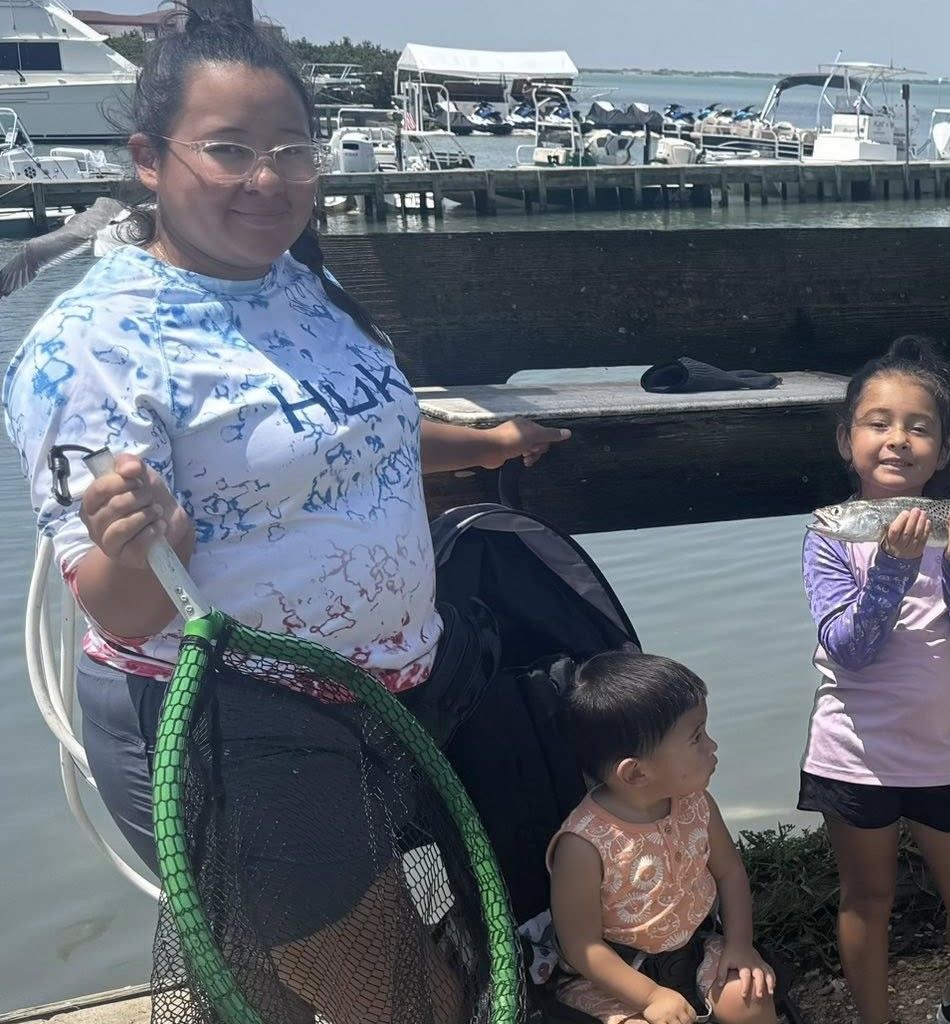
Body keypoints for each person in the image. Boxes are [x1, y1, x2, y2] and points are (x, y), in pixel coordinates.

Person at [0, 12, 565, 1022]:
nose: (268, 180)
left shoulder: (302, 281)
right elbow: (121, 609)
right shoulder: (88, 345)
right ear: (147, 159)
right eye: (227, 150)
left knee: (286, 1001)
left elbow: (346, 434)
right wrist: (142, 546)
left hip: (382, 700)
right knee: (407, 1003)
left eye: (292, 151)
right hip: (229, 723)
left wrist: (483, 445)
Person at [800, 336, 950, 1024]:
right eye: (878, 423)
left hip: (941, 752)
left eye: (918, 427)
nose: (897, 440)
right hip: (852, 755)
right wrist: (890, 570)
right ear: (846, 440)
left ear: (945, 452)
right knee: (868, 899)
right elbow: (850, 649)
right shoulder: (831, 533)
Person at [548, 652, 775, 1024]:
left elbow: (730, 872)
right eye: (697, 737)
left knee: (748, 996)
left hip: (696, 949)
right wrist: (652, 997)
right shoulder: (583, 845)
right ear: (636, 773)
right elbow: (581, 946)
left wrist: (740, 945)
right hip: (615, 977)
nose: (712, 746)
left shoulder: (696, 804)